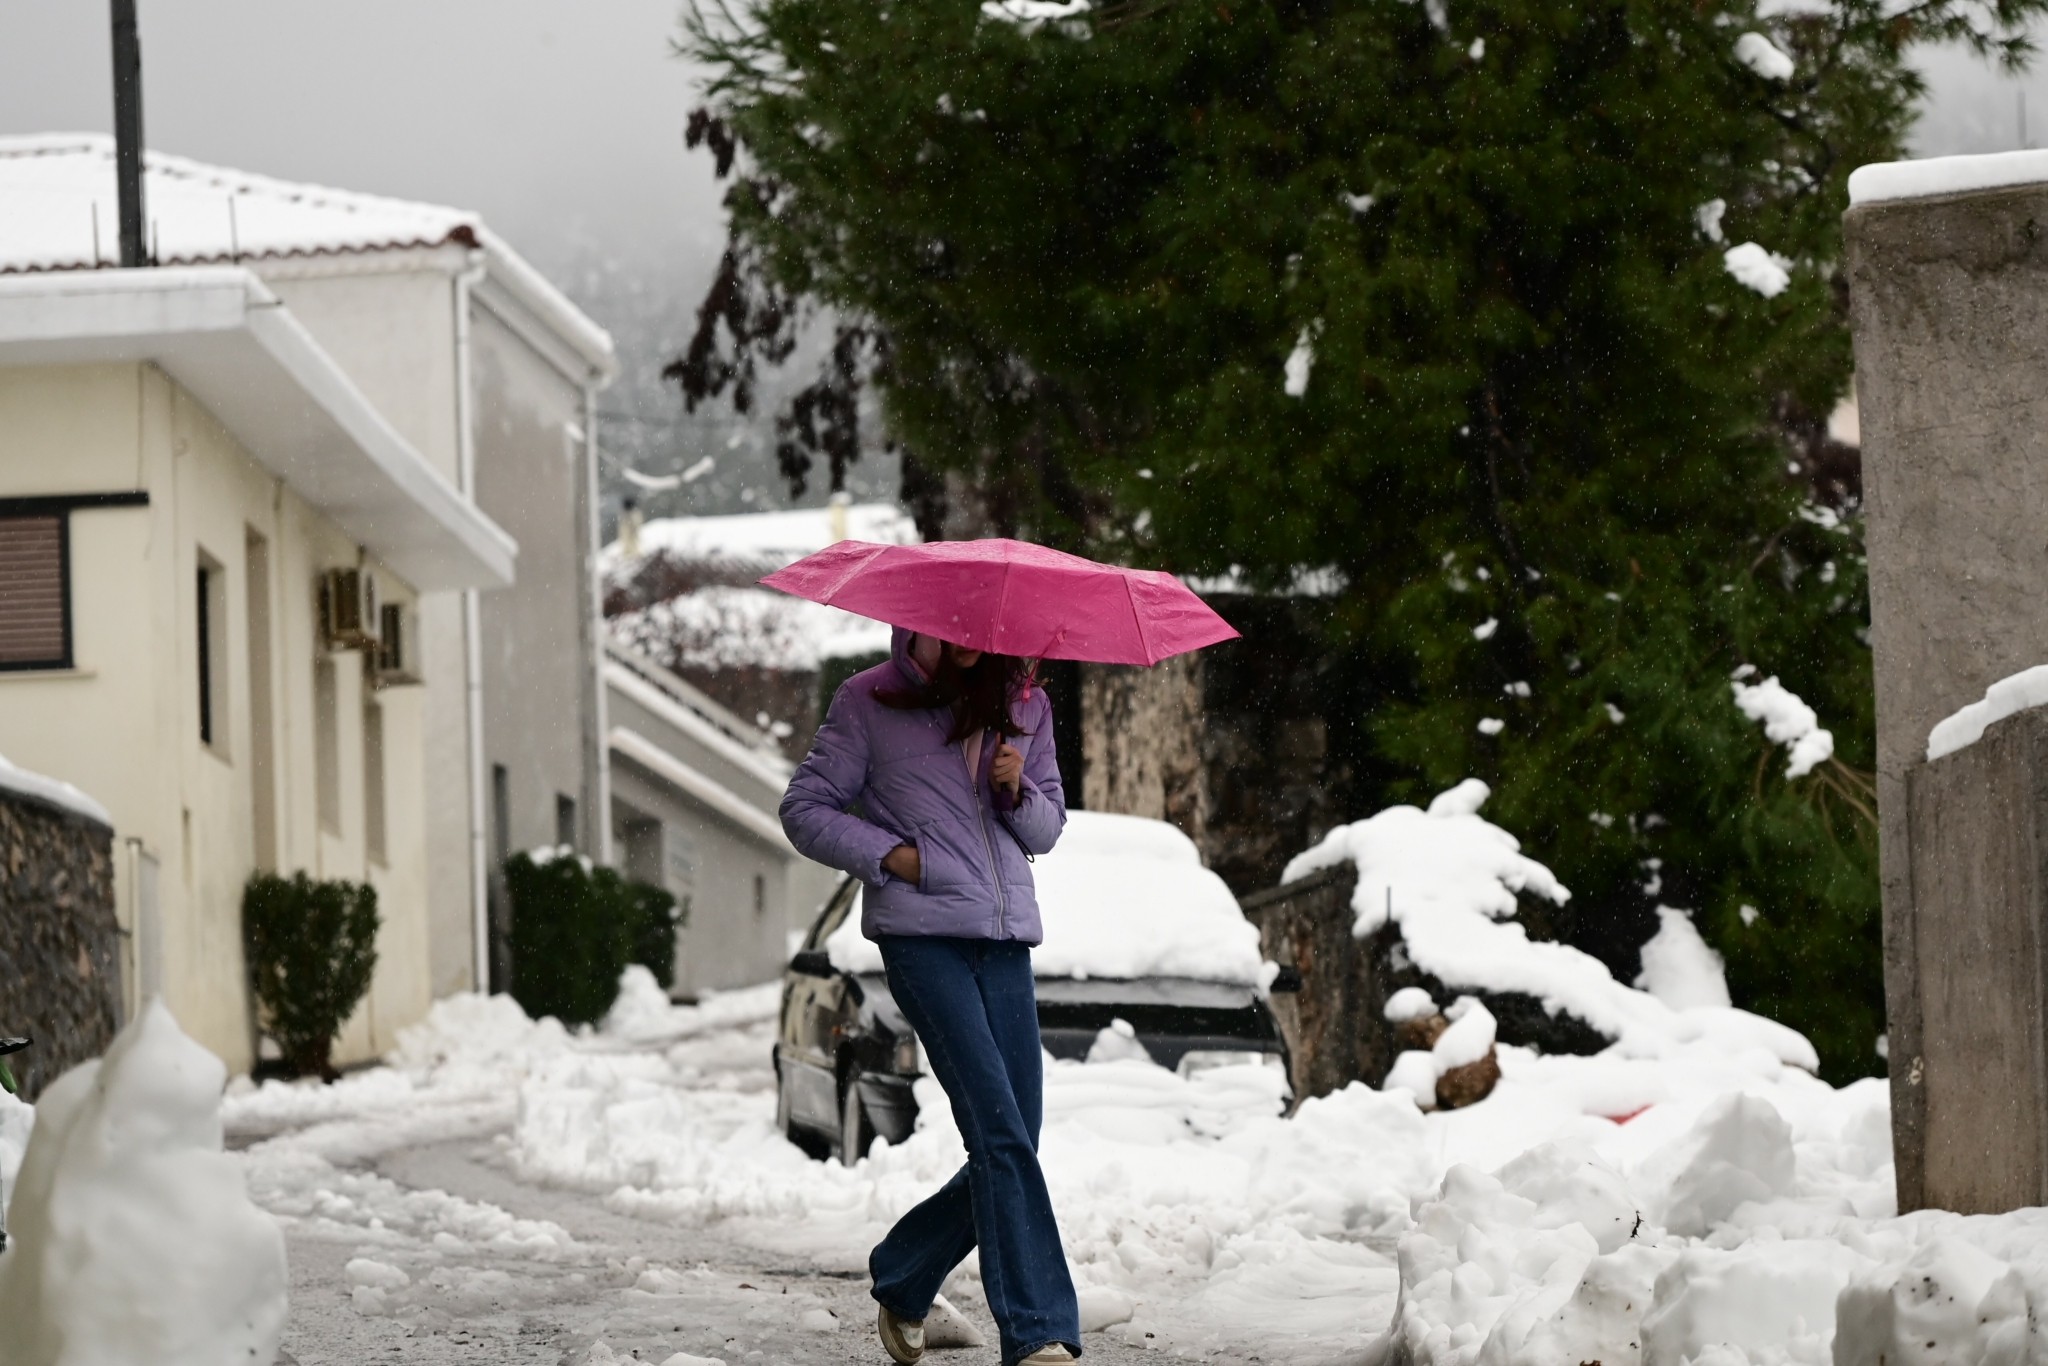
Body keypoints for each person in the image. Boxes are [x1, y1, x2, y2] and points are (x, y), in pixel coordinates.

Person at [780, 626, 1082, 1366]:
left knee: (1015, 1135)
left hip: (1004, 938)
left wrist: (1018, 788)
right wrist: (892, 857)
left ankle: (906, 1274)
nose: (976, 640)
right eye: (958, 629)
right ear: (921, 627)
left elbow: (1047, 829)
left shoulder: (1025, 705)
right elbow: (806, 808)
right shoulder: (867, 703)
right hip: (921, 939)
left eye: (987, 627)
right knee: (999, 1131)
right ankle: (1038, 1329)